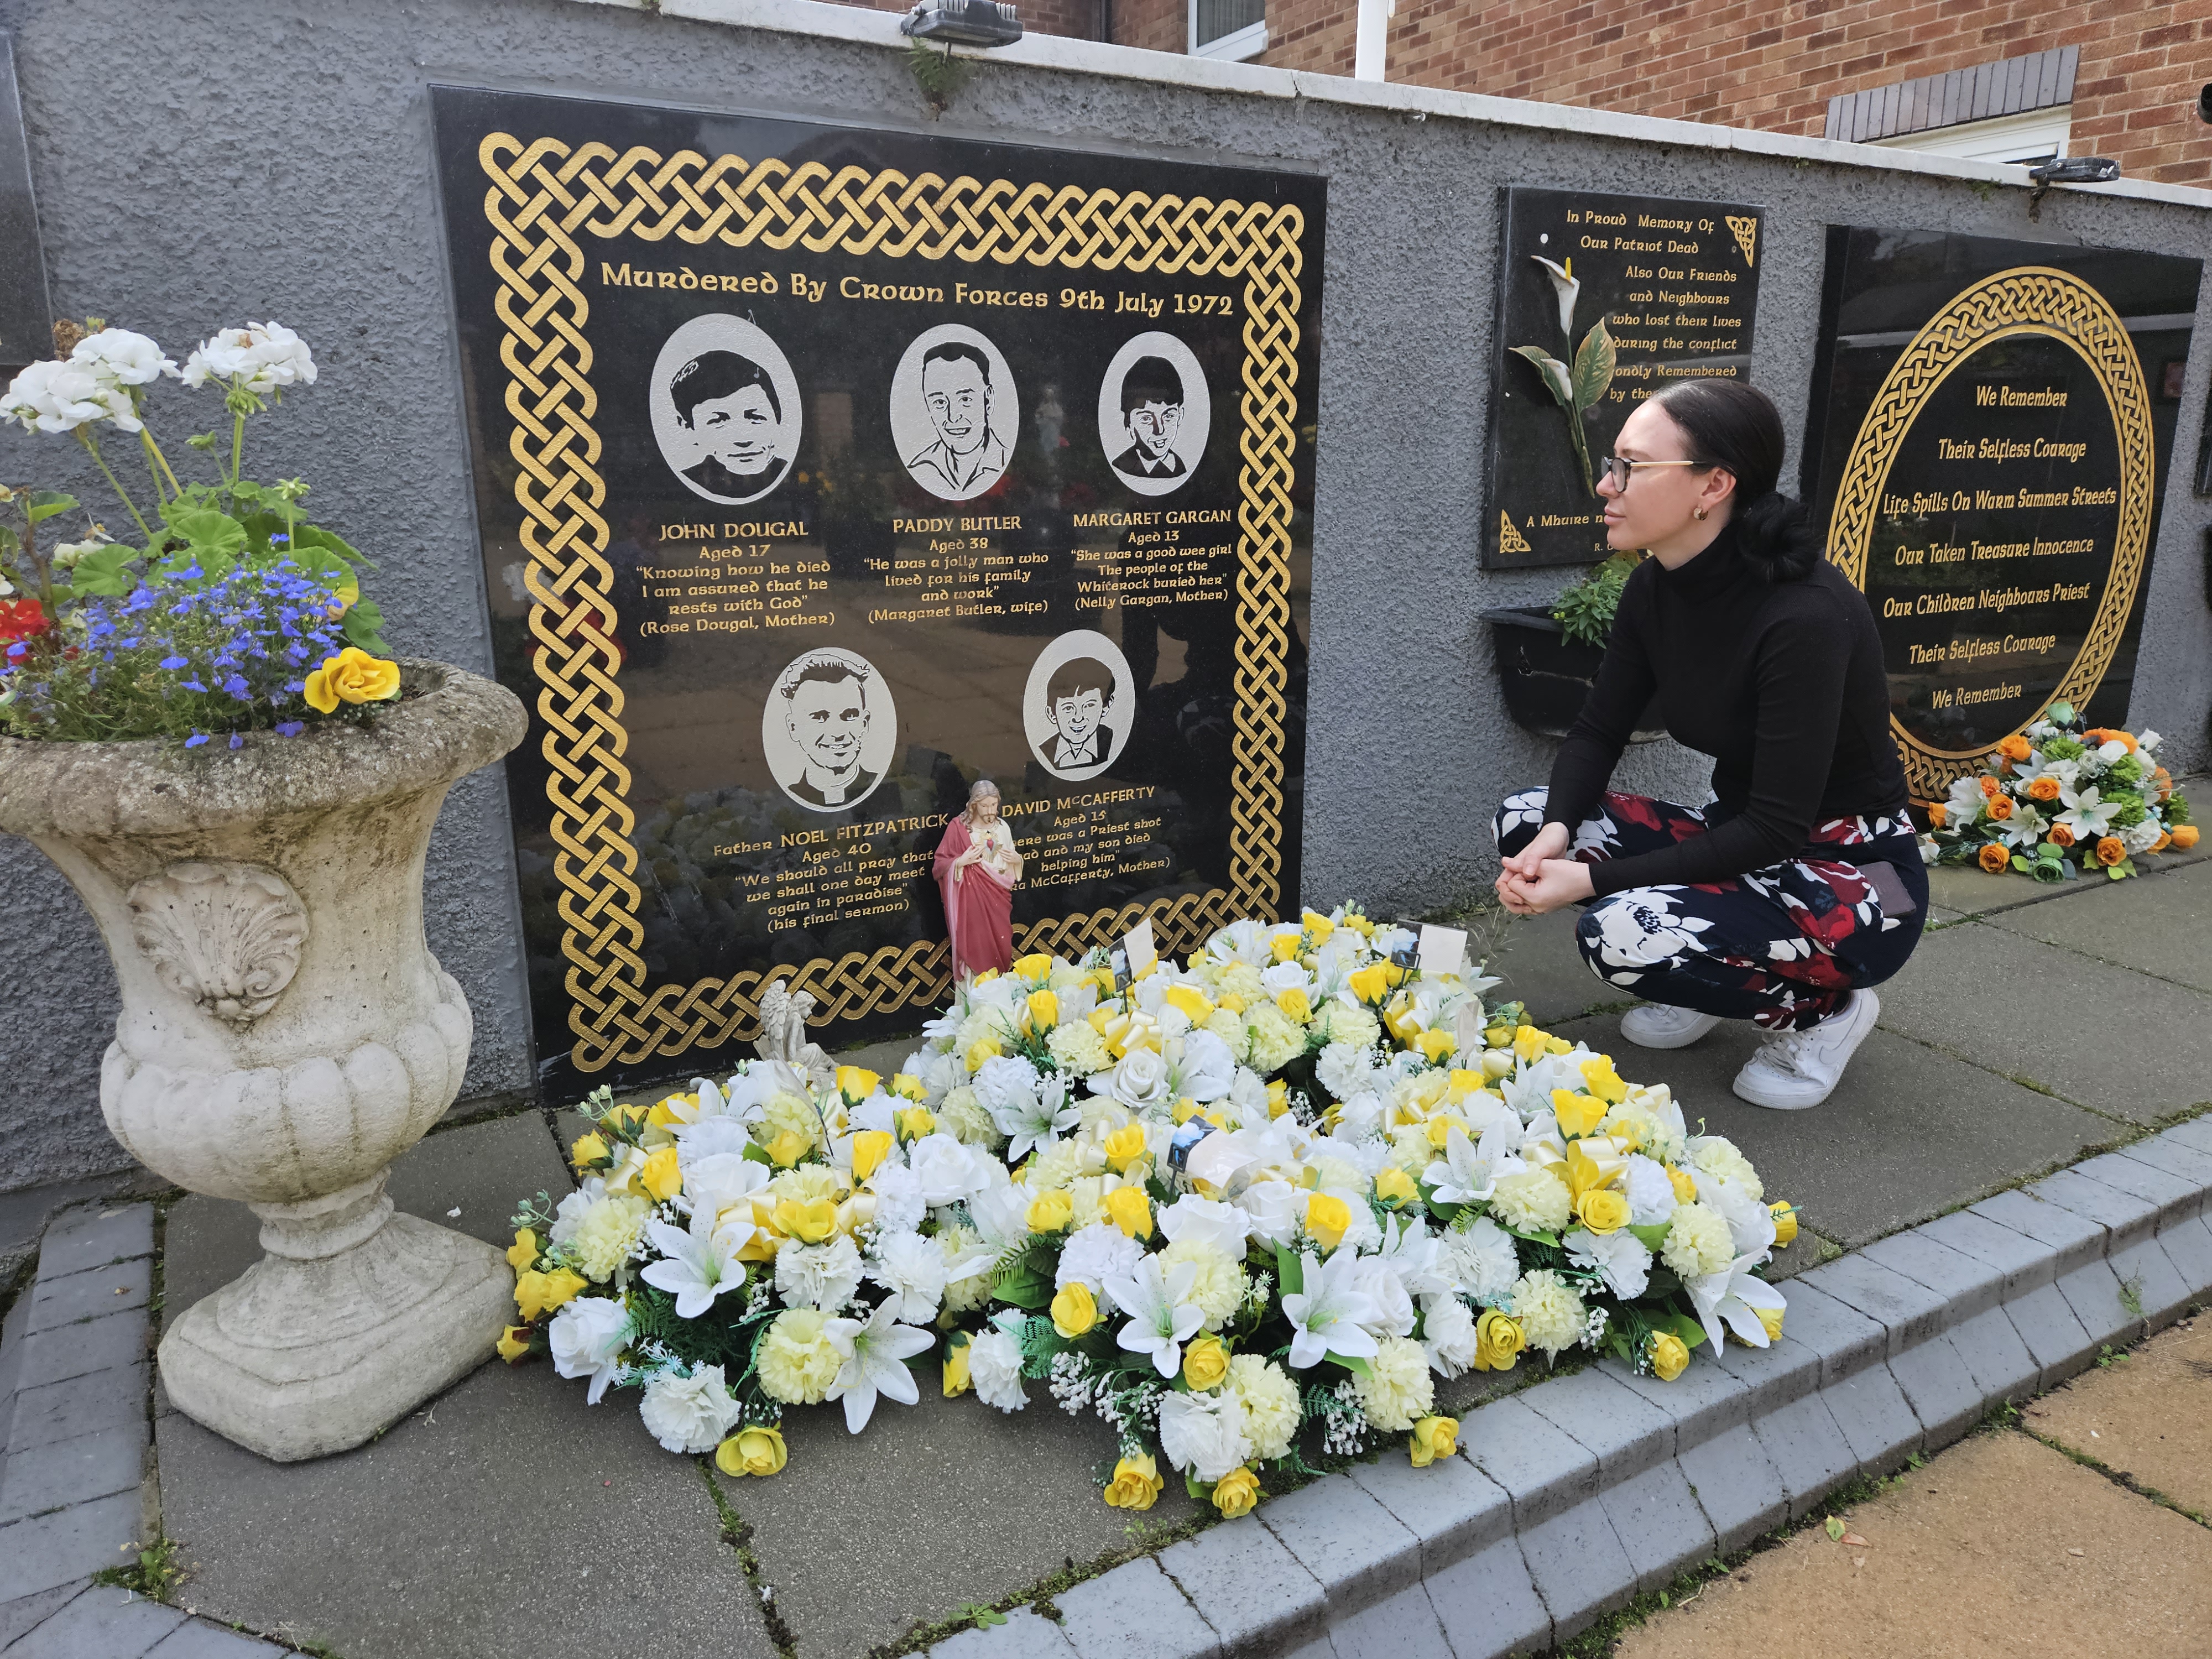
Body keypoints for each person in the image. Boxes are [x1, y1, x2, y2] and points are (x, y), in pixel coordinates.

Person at [1493, 379, 1924, 1111]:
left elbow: (1778, 825)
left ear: (1714, 485)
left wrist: (1594, 881)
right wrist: (1560, 834)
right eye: (1613, 463)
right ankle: (1700, 968)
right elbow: (1598, 730)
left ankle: (1827, 1015)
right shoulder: (1656, 587)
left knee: (1617, 932)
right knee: (1526, 823)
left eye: (1633, 467)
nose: (1606, 485)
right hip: (1741, 841)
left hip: (1856, 881)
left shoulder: (1805, 617)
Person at [934, 779, 1022, 980]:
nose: (990, 810)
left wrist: (1017, 861)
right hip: (971, 905)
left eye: (994, 805)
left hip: (999, 897)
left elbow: (1012, 861)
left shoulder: (1003, 828)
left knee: (1002, 945)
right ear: (974, 805)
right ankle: (974, 997)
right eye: (985, 806)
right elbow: (939, 864)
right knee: (976, 944)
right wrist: (960, 862)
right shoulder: (958, 828)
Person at [671, 350, 787, 499]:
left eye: (755, 417)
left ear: (777, 418)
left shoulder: (796, 476)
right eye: (719, 422)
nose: (744, 441)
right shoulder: (685, 485)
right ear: (687, 426)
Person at [906, 342, 1010, 498]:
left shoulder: (1007, 463)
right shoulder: (920, 466)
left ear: (988, 400)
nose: (953, 417)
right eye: (940, 402)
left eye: (965, 399)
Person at [778, 655, 878, 809]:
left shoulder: (887, 787)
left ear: (865, 723)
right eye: (820, 717)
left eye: (850, 716)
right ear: (793, 727)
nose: (837, 733)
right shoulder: (778, 804)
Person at [1109, 356, 1187, 481]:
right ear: (1128, 421)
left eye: (1168, 416)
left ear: (1180, 416)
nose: (1160, 430)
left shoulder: (1181, 467)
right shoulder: (1122, 467)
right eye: (1146, 419)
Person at [1042, 655, 1117, 771]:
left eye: (1089, 706)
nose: (1078, 718)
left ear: (1106, 706)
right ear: (1052, 713)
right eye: (1068, 708)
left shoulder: (1116, 744)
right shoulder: (1044, 753)